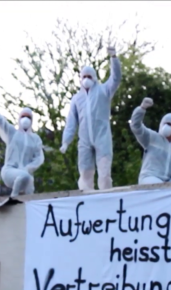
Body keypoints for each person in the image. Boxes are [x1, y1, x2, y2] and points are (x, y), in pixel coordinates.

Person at [60, 46, 122, 191]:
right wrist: (66, 141)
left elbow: (116, 78)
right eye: (84, 77)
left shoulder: (103, 91)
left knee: (104, 172)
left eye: (89, 76)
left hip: (102, 137)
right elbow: (71, 122)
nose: (86, 79)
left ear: (94, 78)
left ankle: (105, 196)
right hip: (84, 140)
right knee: (85, 173)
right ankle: (87, 198)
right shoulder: (77, 99)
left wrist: (114, 59)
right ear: (80, 79)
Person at [0, 85, 44, 197]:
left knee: (30, 184)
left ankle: (25, 203)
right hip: (9, 171)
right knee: (24, 176)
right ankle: (14, 196)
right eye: (23, 116)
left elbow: (39, 157)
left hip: (25, 173)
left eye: (28, 117)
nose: (25, 119)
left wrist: (28, 168)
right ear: (19, 118)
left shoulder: (35, 139)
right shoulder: (13, 133)